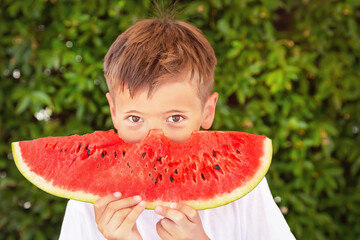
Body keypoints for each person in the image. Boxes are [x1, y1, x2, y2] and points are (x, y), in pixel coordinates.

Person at [59, 17, 296, 240]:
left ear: (207, 111)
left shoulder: (244, 192)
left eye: (174, 118)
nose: (154, 140)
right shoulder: (87, 205)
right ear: (114, 113)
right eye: (134, 118)